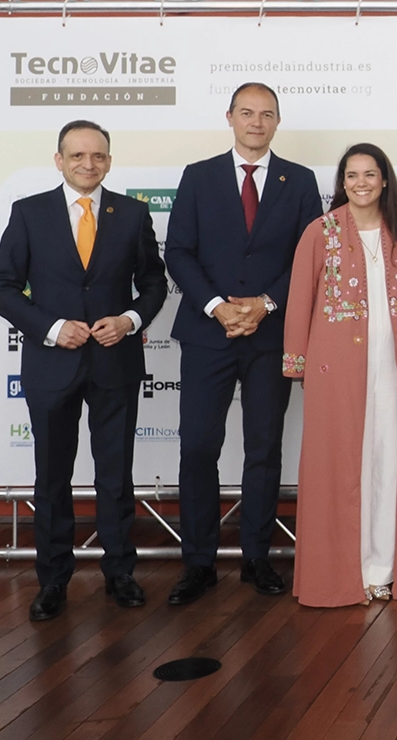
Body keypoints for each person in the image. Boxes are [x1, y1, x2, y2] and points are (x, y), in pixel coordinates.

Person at [0, 121, 168, 622]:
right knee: (52, 479)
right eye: (78, 156)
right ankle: (53, 581)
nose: (89, 164)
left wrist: (130, 320)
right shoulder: (29, 213)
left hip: (115, 362)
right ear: (59, 160)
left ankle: (120, 573)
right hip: (52, 364)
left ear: (109, 160)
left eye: (99, 156)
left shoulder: (132, 214)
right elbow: (1, 286)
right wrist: (51, 327)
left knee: (116, 476)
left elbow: (154, 283)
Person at [164, 83, 323, 605]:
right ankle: (198, 563)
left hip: (270, 335)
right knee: (198, 446)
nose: (257, 122)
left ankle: (257, 557)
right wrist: (218, 306)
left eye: (267, 114)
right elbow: (179, 251)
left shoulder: (300, 180)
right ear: (229, 117)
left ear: (278, 121)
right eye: (247, 113)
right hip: (207, 333)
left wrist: (264, 305)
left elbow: (309, 258)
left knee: (264, 447)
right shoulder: (198, 176)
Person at [282, 144, 397, 606]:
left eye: (369, 174)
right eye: (352, 175)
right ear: (342, 183)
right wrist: (297, 360)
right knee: (342, 465)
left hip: (396, 368)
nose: (361, 183)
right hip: (336, 371)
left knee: (391, 459)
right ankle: (344, 574)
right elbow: (300, 299)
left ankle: (384, 569)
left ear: (385, 180)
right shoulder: (320, 231)